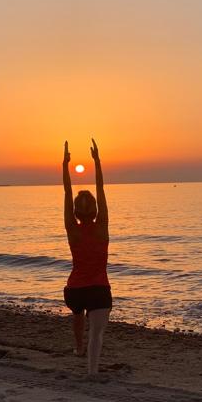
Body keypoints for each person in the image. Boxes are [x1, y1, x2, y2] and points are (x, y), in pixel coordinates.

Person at [62, 138, 111, 375]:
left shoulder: (72, 229)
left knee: (77, 312)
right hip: (98, 289)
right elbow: (101, 190)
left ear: (75, 212)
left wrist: (65, 164)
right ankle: (91, 370)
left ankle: (78, 348)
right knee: (97, 333)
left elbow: (67, 190)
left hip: (74, 291)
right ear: (94, 210)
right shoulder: (102, 226)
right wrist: (97, 161)